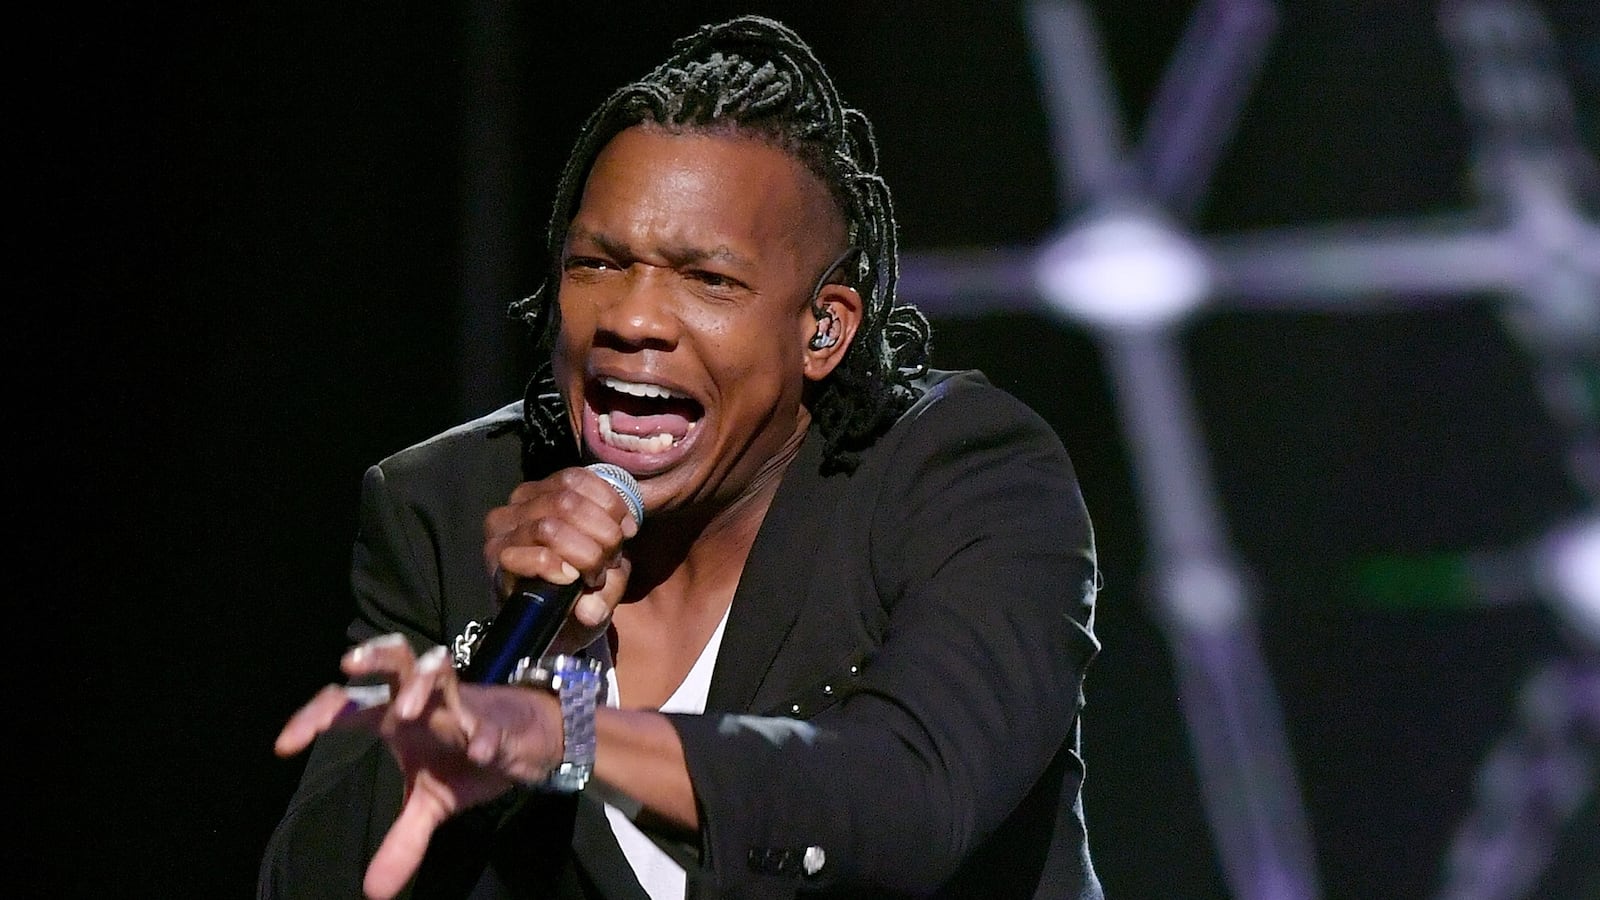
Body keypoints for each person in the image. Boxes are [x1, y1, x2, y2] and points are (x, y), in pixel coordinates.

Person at [260, 15, 1102, 900]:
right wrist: (523, 673)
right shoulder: (447, 506)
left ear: (824, 329)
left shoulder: (964, 475)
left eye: (708, 280)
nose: (632, 318)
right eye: (599, 263)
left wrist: (560, 732)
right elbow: (314, 882)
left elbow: (907, 799)